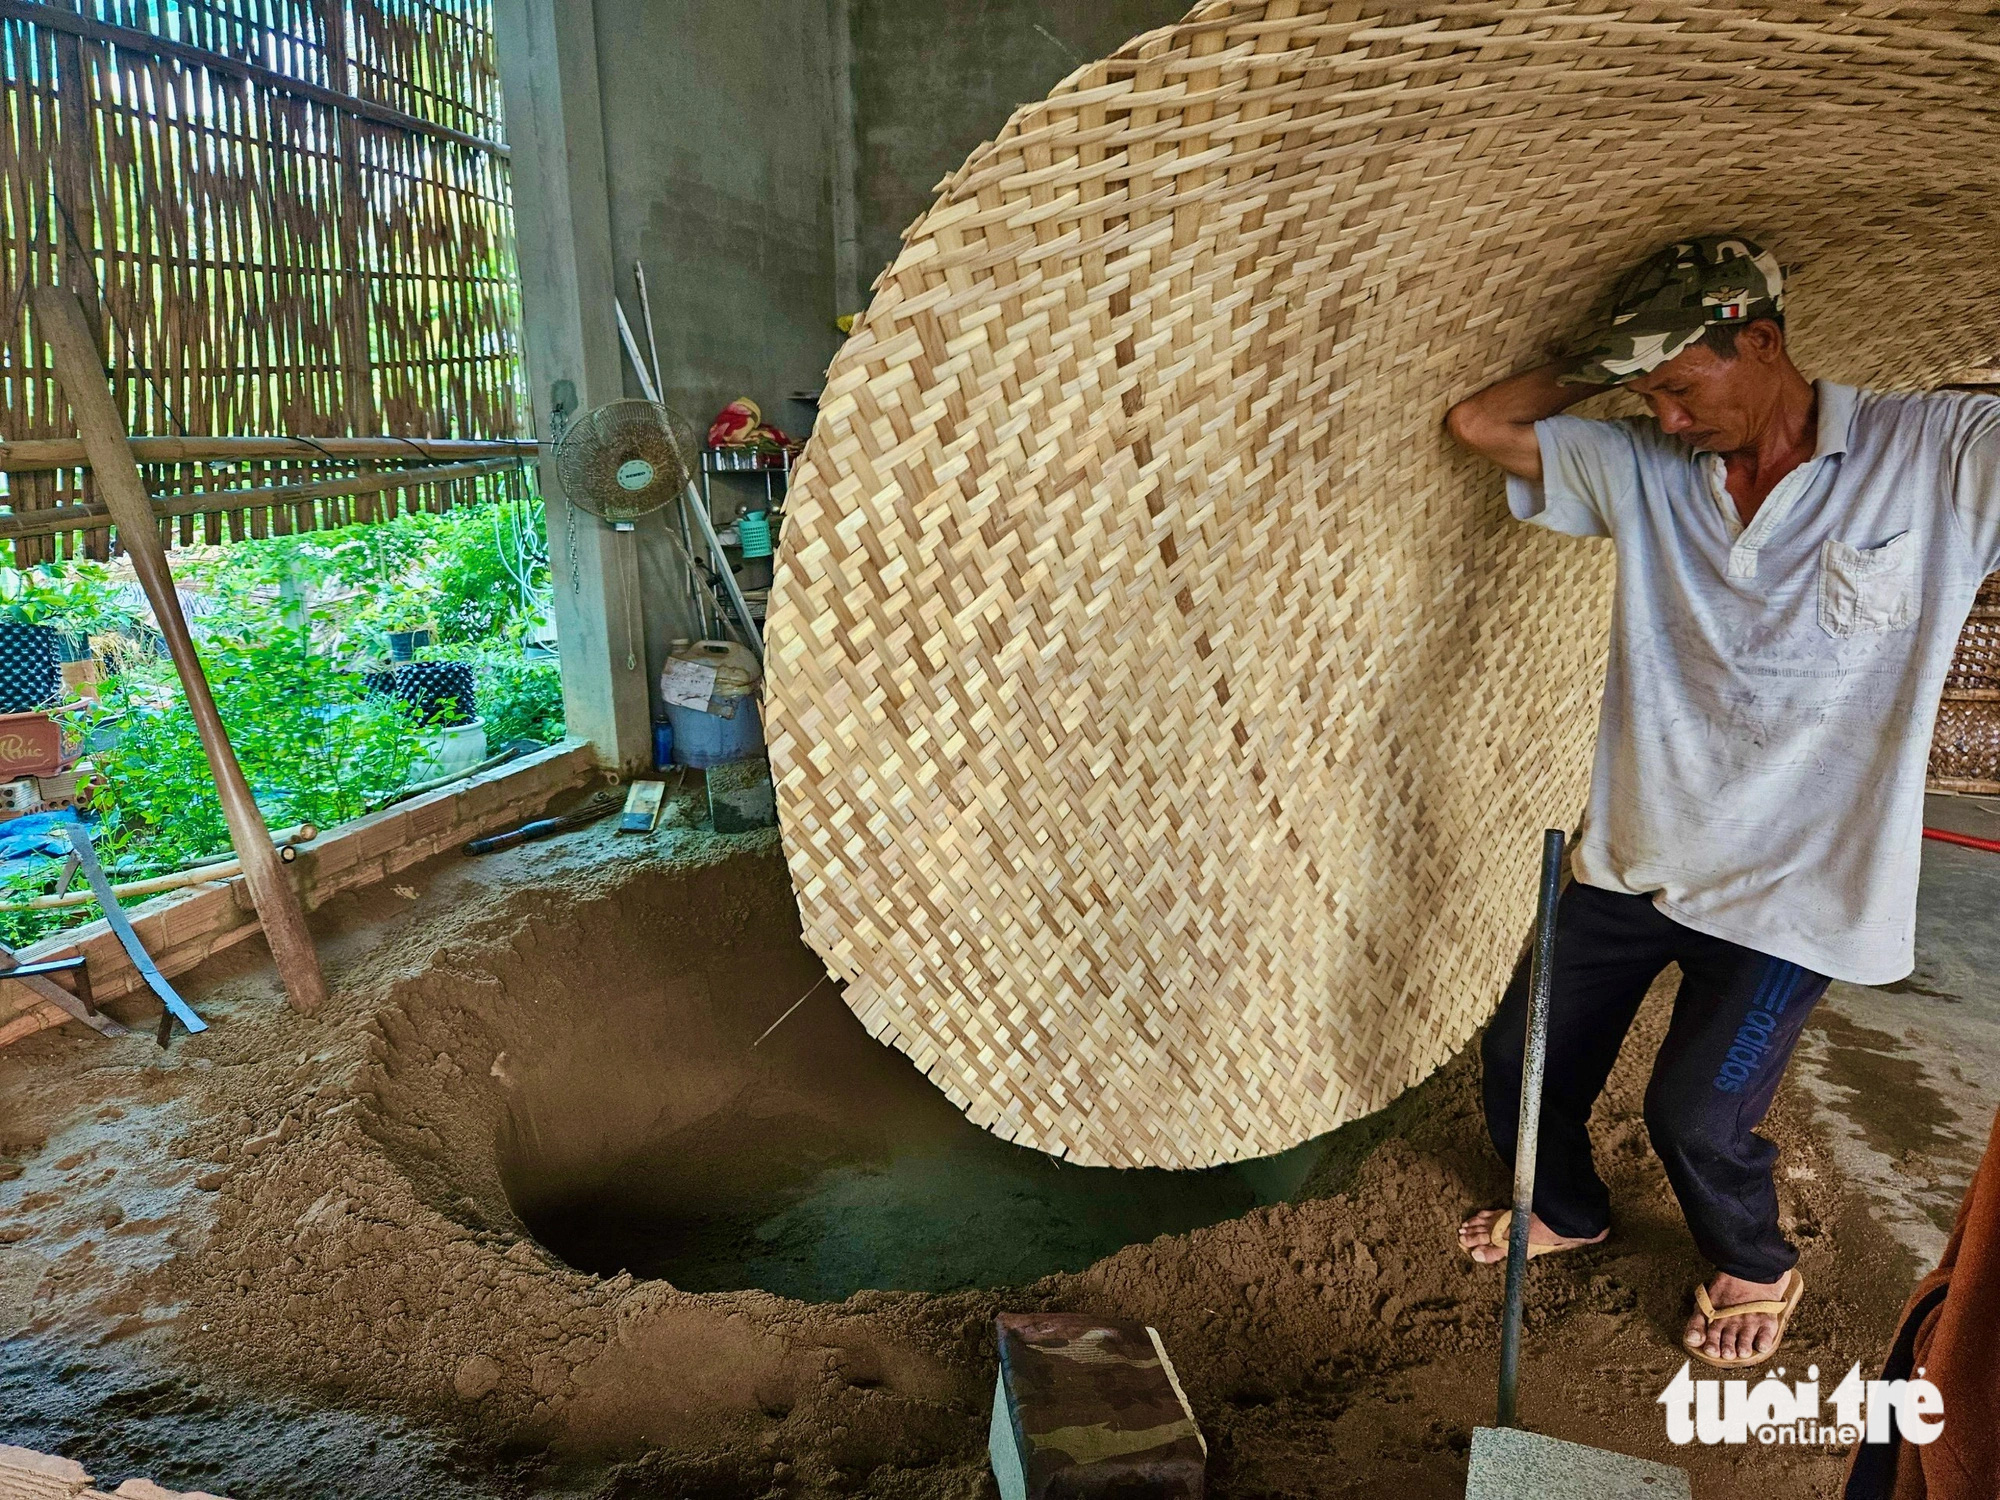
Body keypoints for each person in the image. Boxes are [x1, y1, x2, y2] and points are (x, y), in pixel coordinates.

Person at [1442, 235, 2000, 1369]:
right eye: (1645, 395)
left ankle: (1755, 1262)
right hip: (1632, 852)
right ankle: (1564, 1208)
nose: (1665, 416)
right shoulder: (1646, 468)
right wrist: (1612, 363)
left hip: (1802, 885)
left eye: (1681, 386)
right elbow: (1483, 427)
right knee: (1519, 1060)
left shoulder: (1937, 452)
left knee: (1693, 1115)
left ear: (1761, 342)